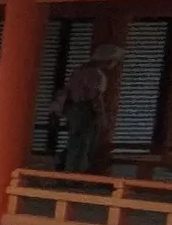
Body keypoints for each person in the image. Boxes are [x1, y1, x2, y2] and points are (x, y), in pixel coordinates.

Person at [50, 39, 121, 173]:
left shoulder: (79, 70)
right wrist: (102, 116)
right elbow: (95, 98)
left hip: (73, 109)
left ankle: (66, 167)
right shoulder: (97, 74)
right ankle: (75, 173)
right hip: (86, 110)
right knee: (84, 144)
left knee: (75, 141)